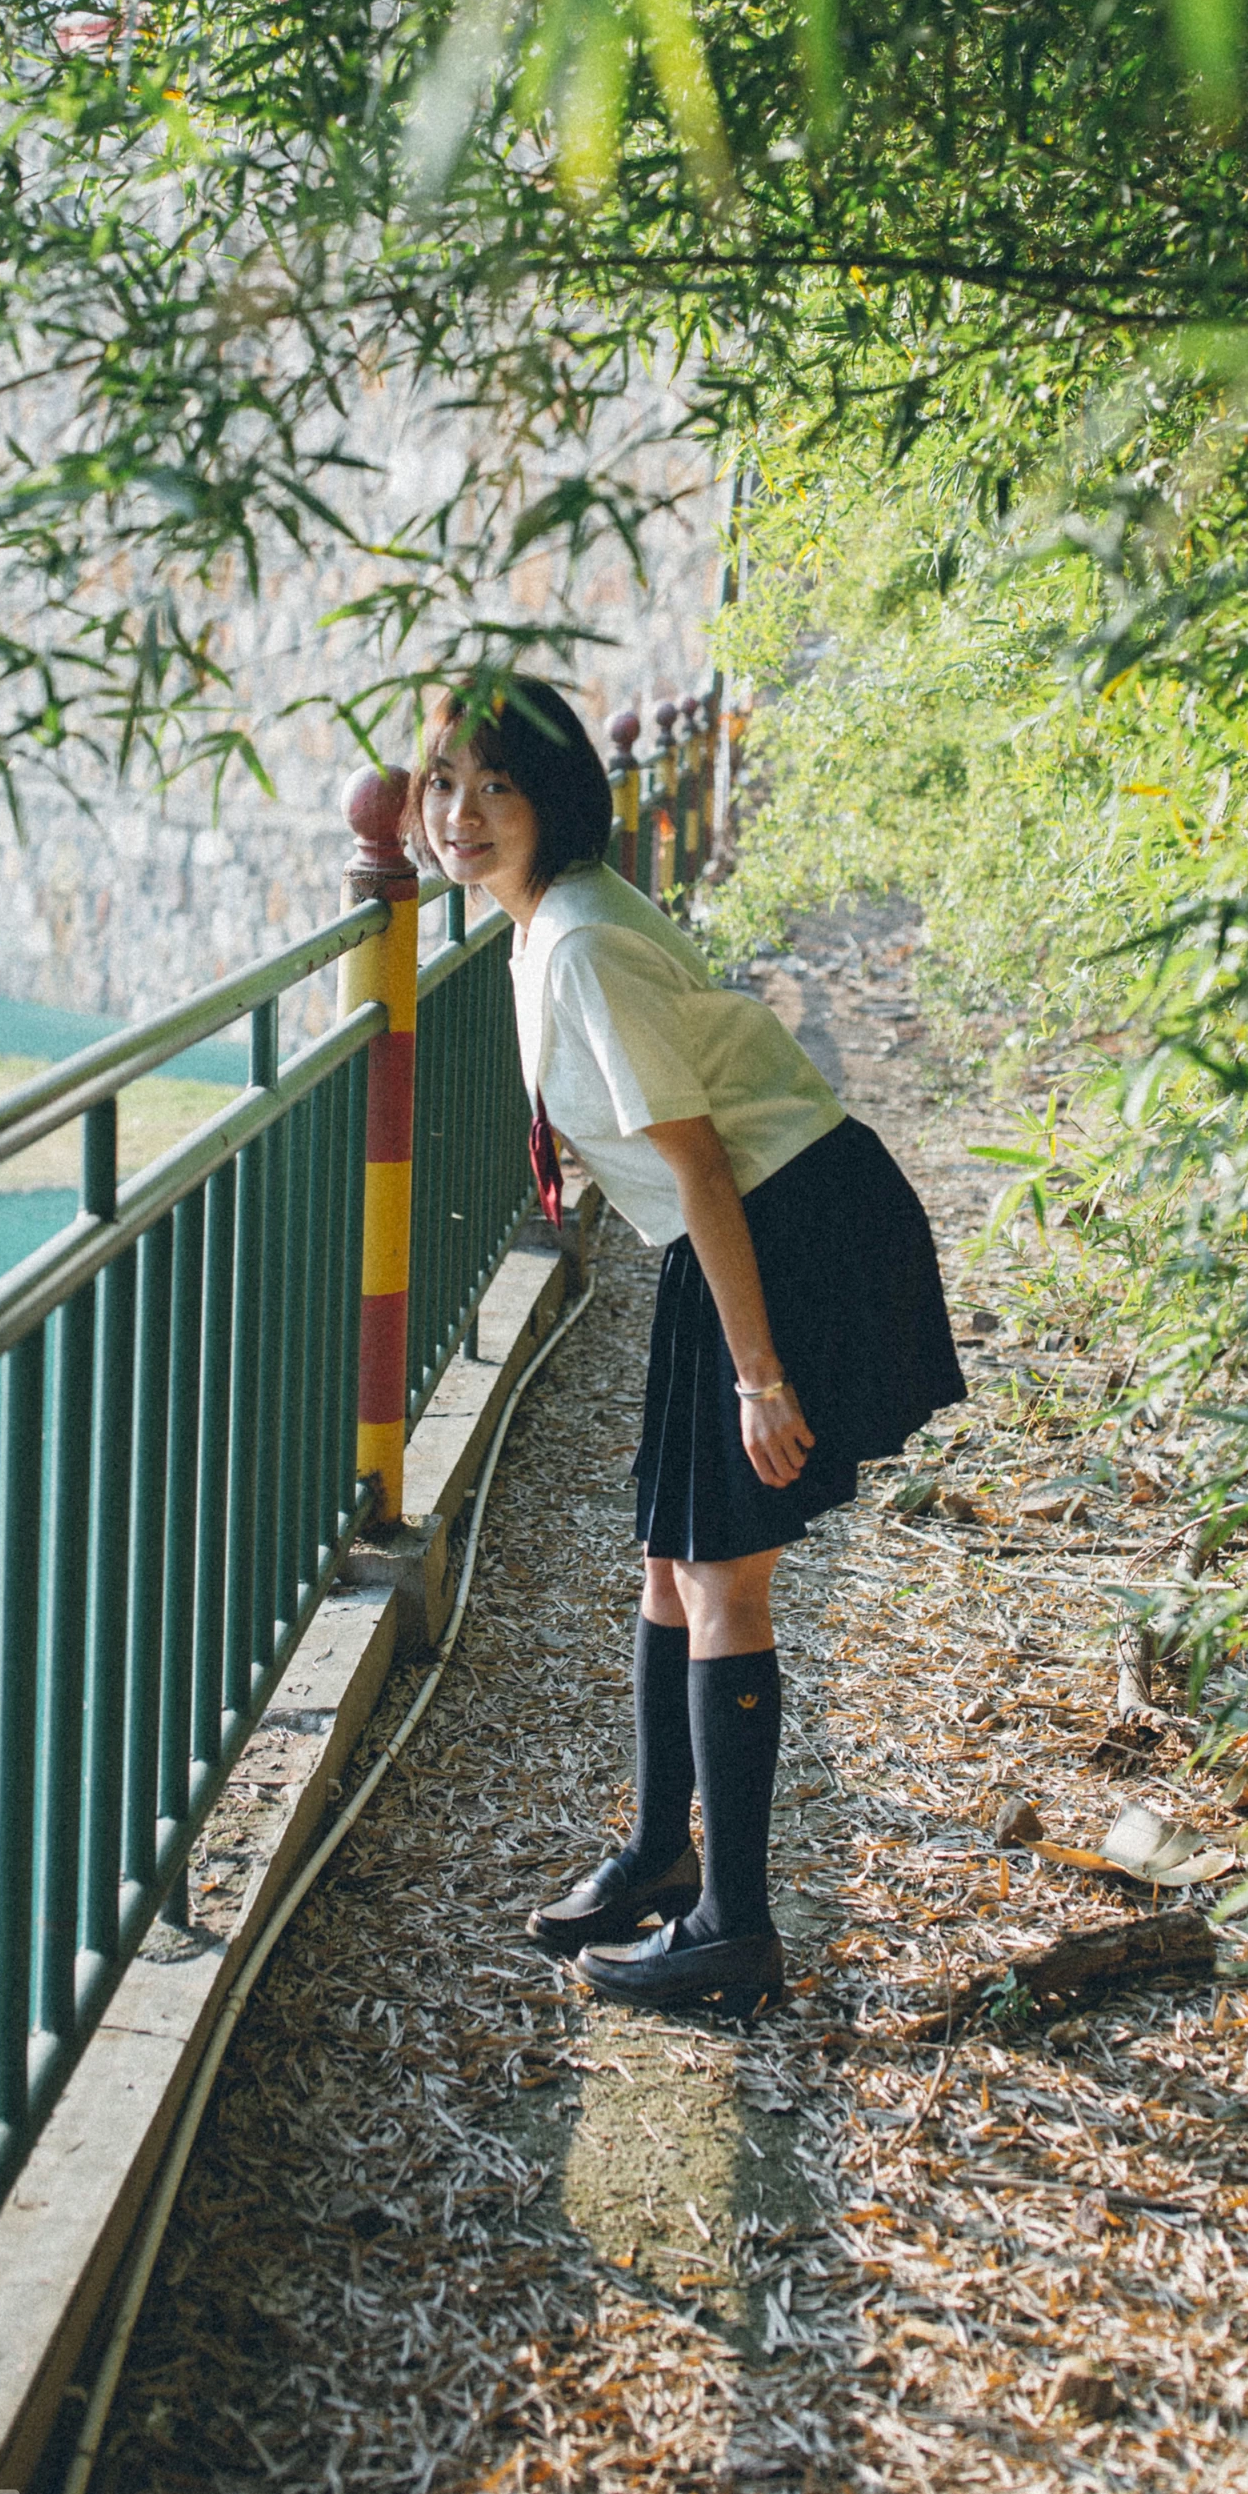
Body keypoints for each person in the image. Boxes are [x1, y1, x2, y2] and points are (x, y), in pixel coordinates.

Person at [414, 680, 966, 2016]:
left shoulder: (584, 945)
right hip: (724, 1238)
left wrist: (760, 1374)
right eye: (442, 784)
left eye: (497, 787)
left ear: (556, 800)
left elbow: (701, 1161)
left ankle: (735, 1930)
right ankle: (664, 1854)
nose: (461, 815)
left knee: (725, 1573)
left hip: (787, 1230)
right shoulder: (547, 922)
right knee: (672, 1556)